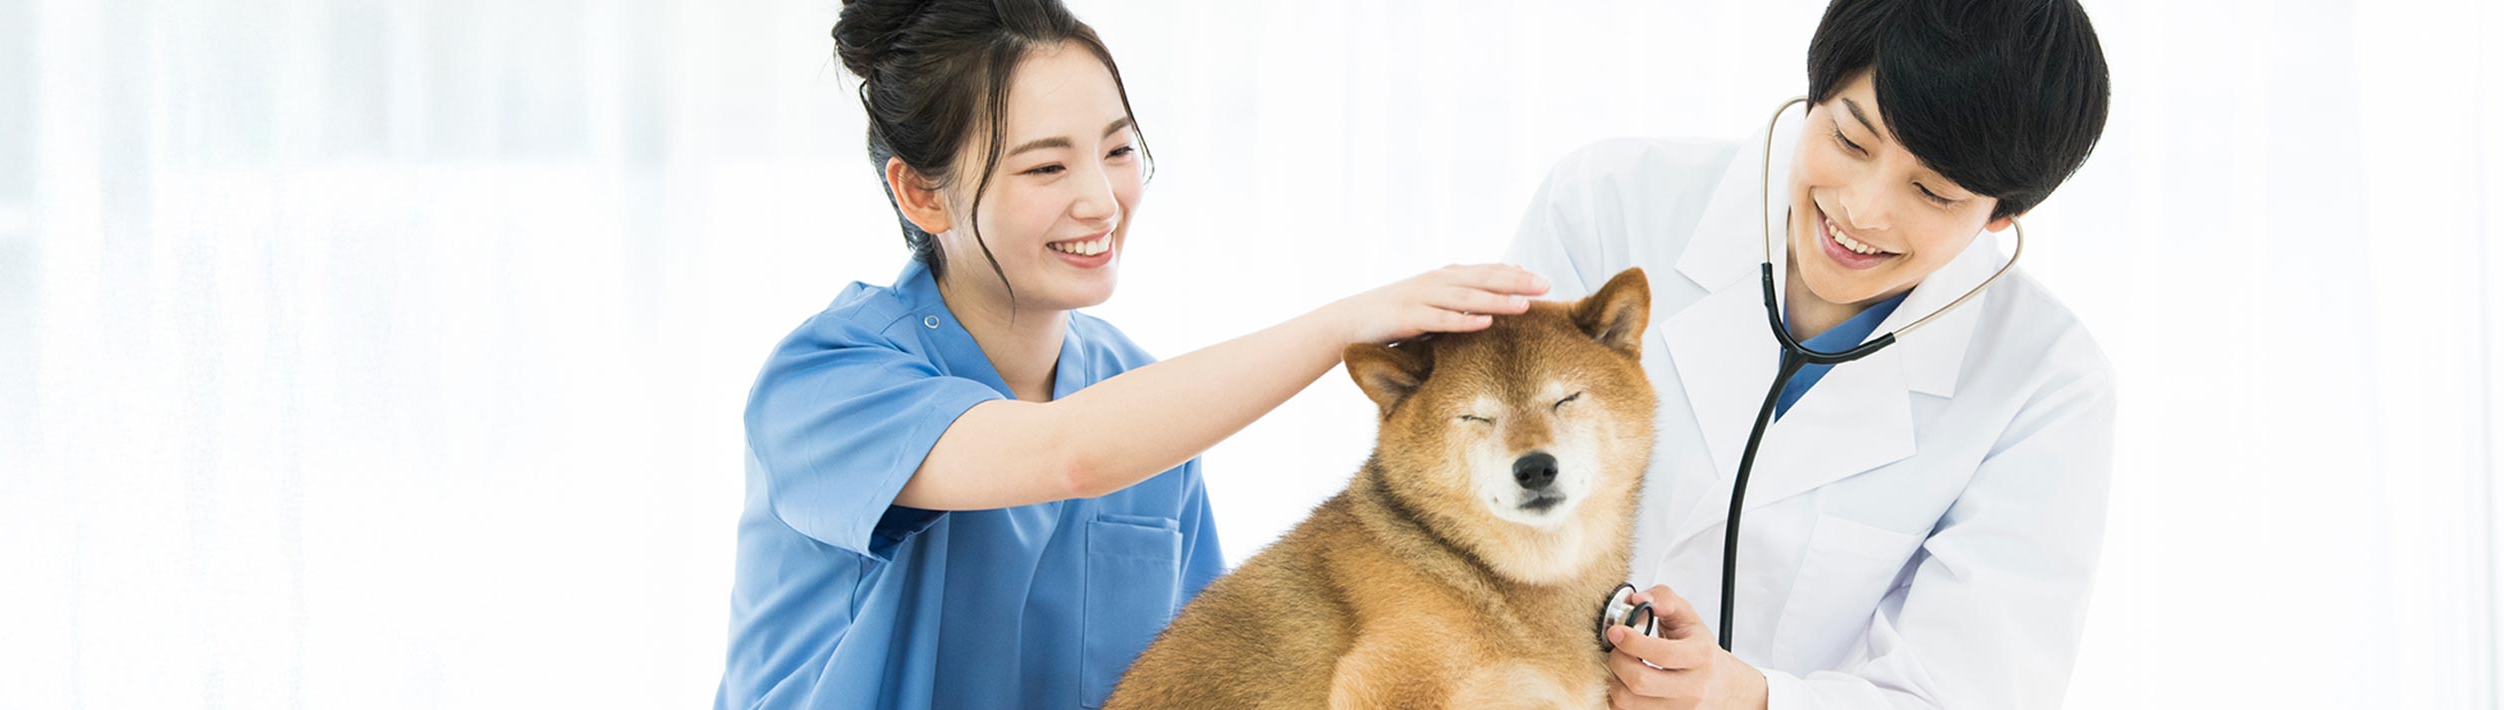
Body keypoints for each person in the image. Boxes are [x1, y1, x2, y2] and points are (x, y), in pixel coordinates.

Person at [714, 1, 1552, 707]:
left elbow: (1200, 676)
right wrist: (1345, 324)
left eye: (1117, 151)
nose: (1101, 199)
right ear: (922, 193)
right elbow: (1070, 456)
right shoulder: (826, 383)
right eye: (1046, 167)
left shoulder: (1142, 400)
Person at [1503, 0, 2118, 707]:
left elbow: (1968, 692)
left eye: (1932, 192)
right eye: (1851, 141)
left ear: (2003, 214)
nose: (1862, 210)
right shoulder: (1608, 204)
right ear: (1815, 92)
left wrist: (1752, 697)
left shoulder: (2045, 384)